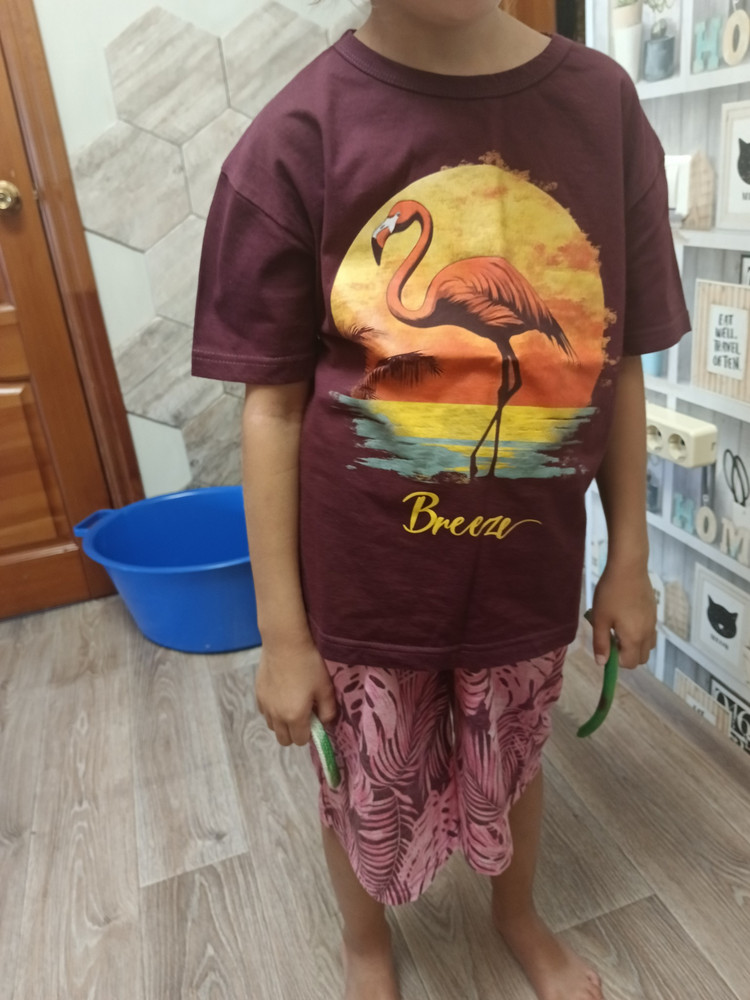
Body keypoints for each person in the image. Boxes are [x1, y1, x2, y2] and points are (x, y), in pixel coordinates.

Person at [192, 3, 690, 998]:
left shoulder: (602, 108)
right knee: (359, 780)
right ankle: (365, 943)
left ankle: (518, 915)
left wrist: (628, 558)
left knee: (516, 756)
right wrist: (282, 635)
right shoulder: (296, 137)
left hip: (528, 574)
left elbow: (619, 357)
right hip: (367, 589)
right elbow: (274, 406)